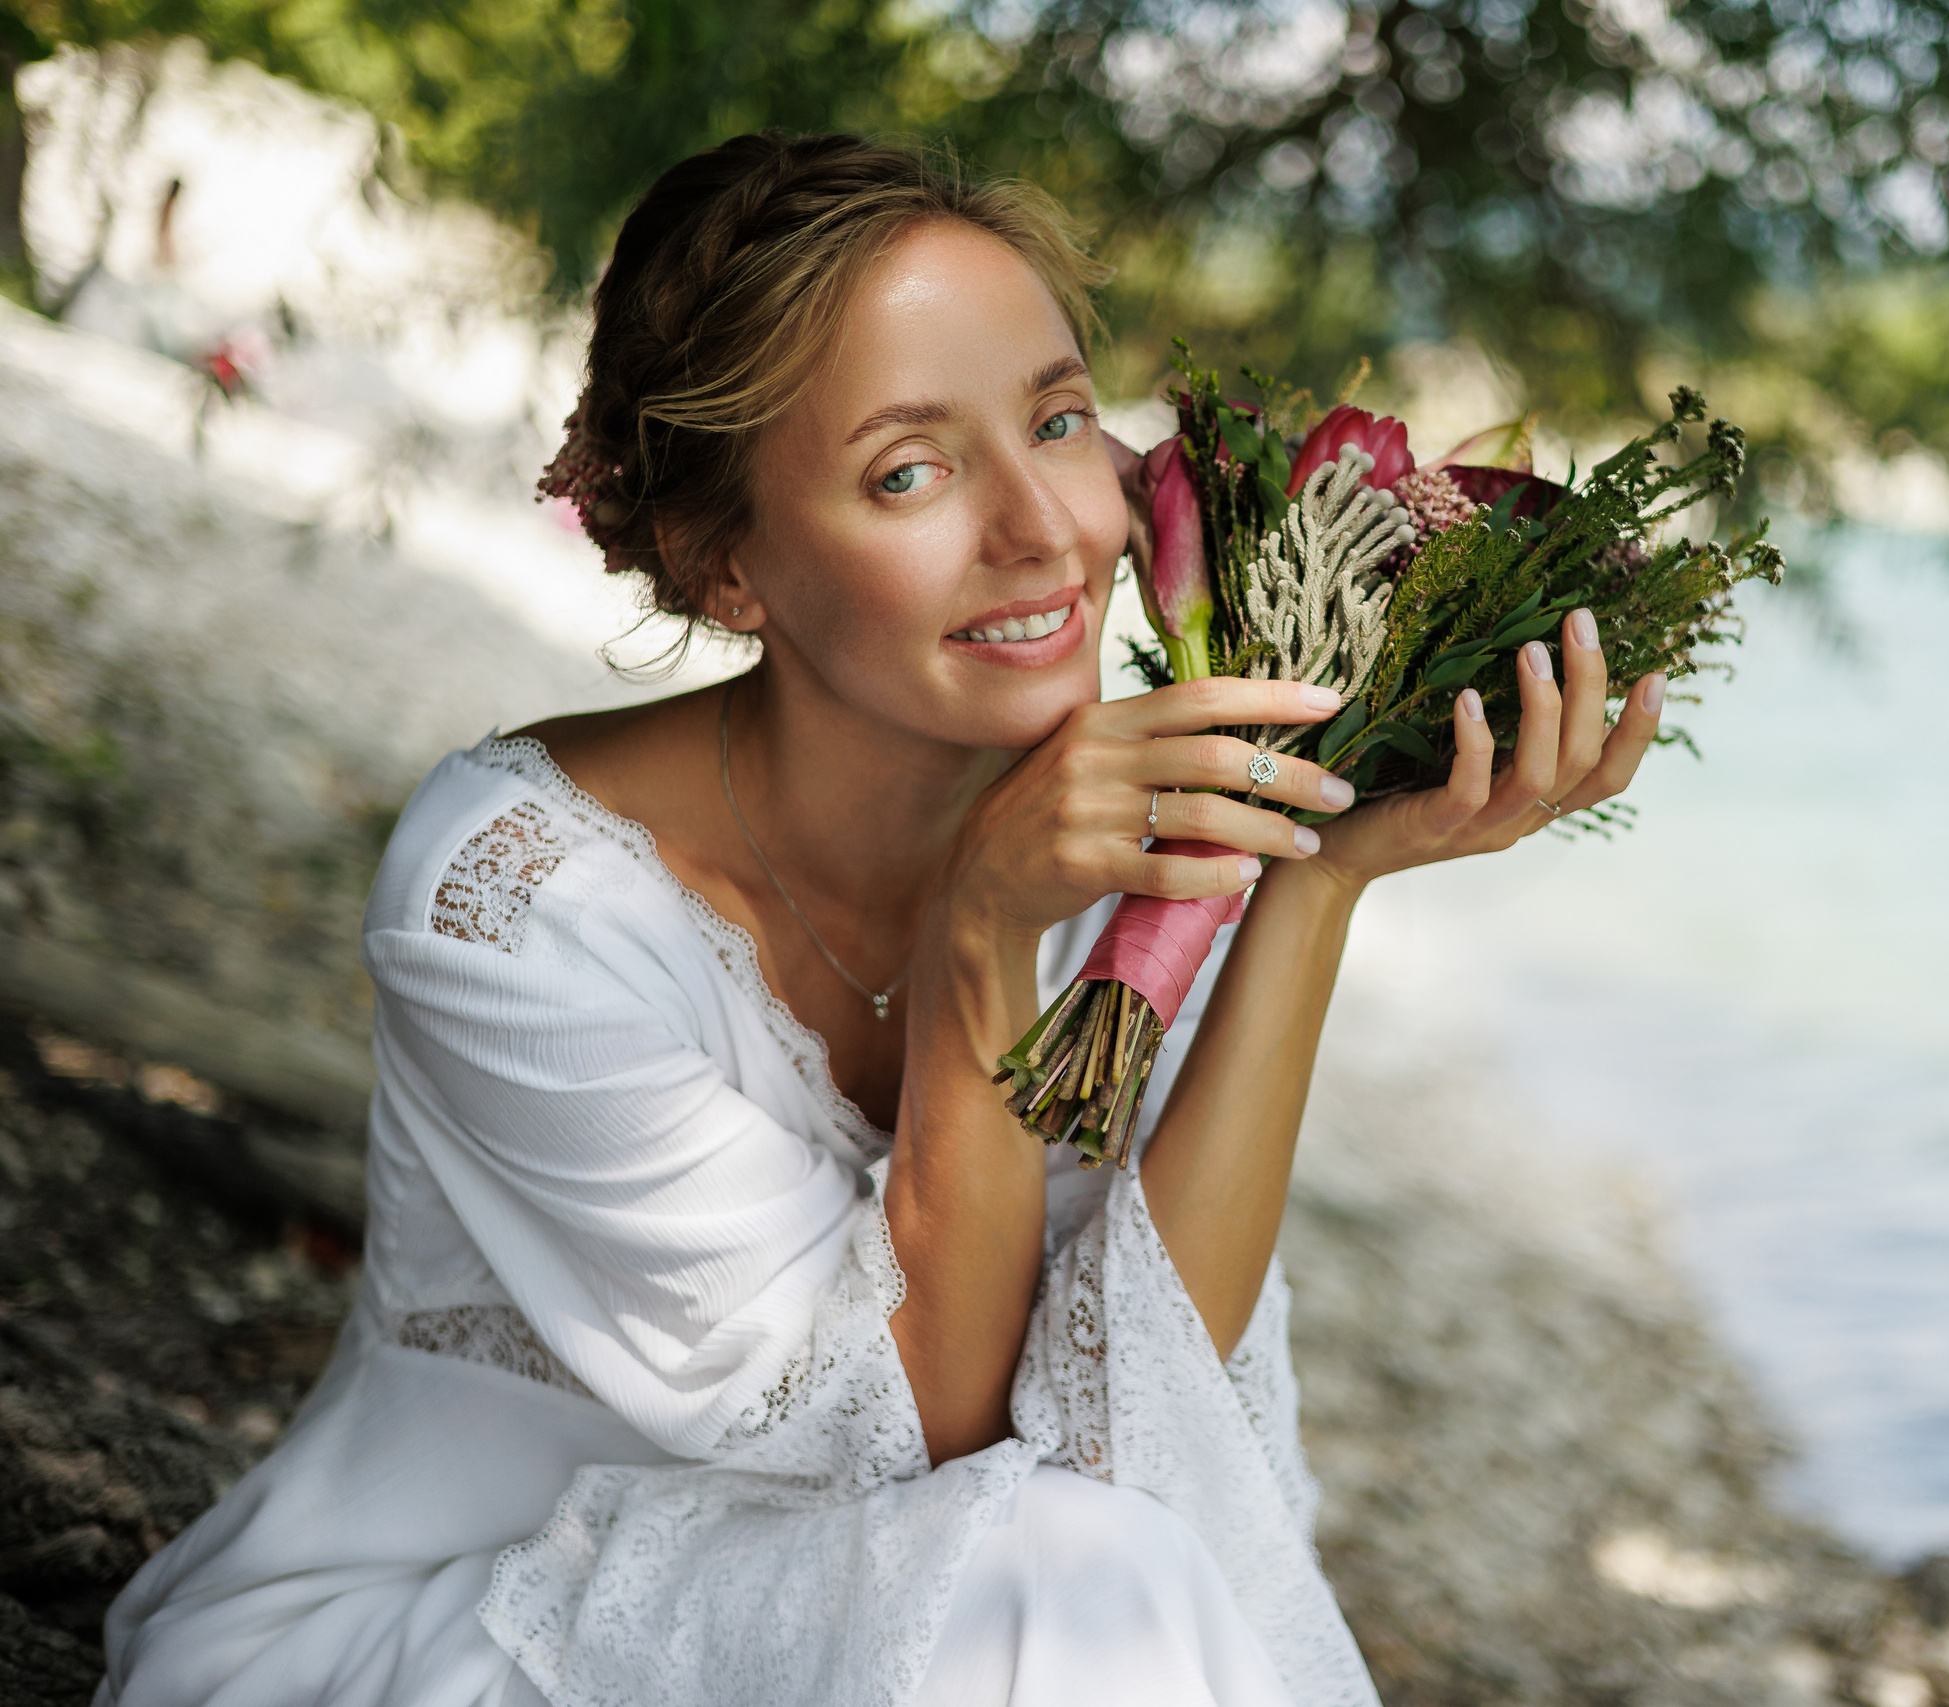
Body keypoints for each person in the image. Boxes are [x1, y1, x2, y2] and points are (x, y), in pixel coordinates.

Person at [97, 131, 1670, 1707]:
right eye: (908, 470)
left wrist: (1313, 877)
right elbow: (929, 1439)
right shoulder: (516, 903)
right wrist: (977, 934)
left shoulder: (1123, 821)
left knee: (1093, 1563)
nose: (1043, 530)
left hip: (932, 1632)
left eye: (1057, 420)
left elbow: (1143, 1422)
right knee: (1071, 1575)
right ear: (729, 567)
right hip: (461, 1638)